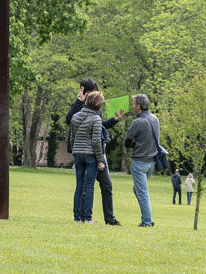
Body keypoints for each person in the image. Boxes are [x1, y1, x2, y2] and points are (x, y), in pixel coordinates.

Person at [65, 78, 122, 226]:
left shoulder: (96, 109)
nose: (94, 94)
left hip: (91, 152)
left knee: (105, 185)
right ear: (83, 91)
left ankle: (107, 218)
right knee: (86, 187)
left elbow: (99, 127)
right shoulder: (80, 106)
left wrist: (114, 120)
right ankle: (84, 218)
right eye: (92, 92)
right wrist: (79, 102)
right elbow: (69, 121)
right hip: (93, 154)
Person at [122, 94, 159, 227]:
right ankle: (147, 216)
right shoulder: (155, 119)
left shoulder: (137, 122)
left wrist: (135, 143)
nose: (132, 106)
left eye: (133, 104)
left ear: (138, 106)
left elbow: (126, 143)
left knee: (142, 193)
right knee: (137, 190)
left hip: (139, 163)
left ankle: (147, 222)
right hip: (152, 163)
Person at [69, 90, 106, 224]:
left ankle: (77, 218)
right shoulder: (96, 119)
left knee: (79, 186)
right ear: (98, 105)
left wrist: (75, 150)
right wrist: (100, 160)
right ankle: (88, 218)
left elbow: (72, 137)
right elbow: (96, 141)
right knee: (89, 186)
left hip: (78, 154)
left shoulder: (75, 117)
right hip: (90, 155)